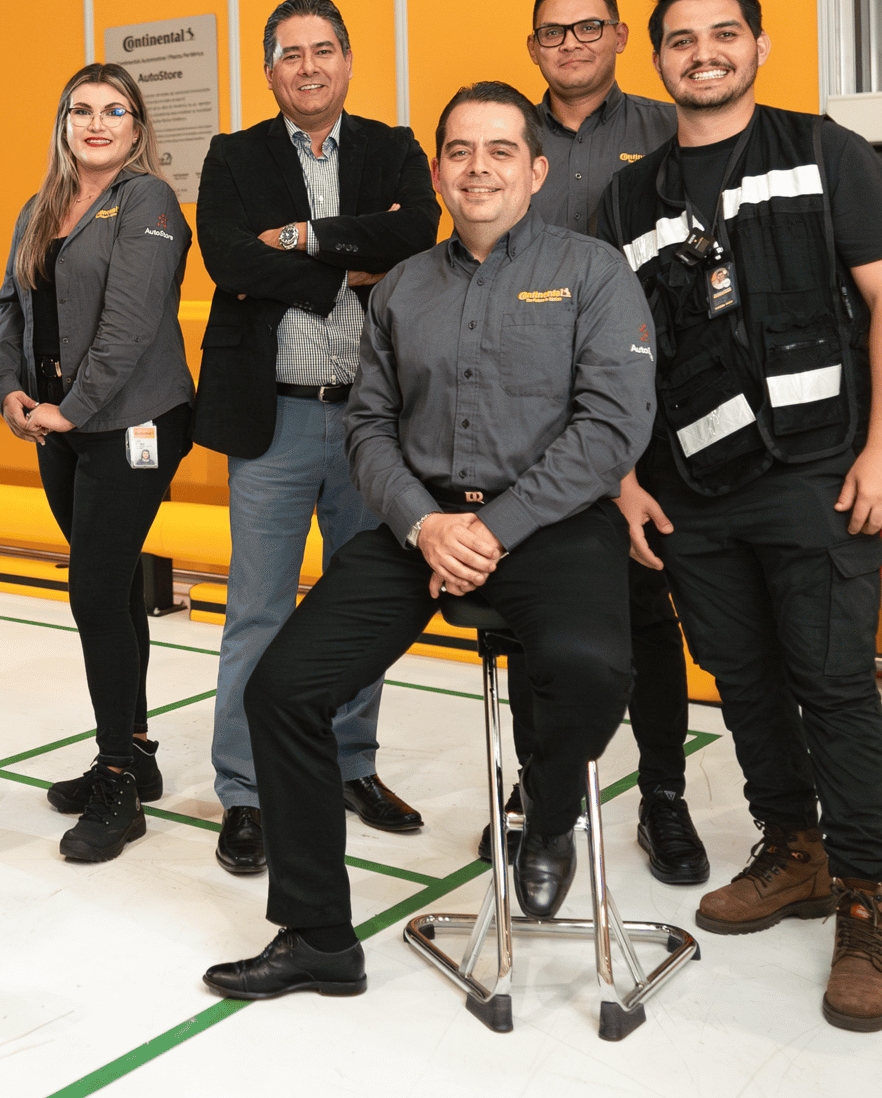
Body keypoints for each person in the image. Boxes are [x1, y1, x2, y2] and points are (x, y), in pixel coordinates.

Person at [204, 83, 654, 1002]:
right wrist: (422, 521)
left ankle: (550, 816)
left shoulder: (595, 271)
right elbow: (369, 426)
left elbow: (612, 427)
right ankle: (318, 936)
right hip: (425, 525)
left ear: (535, 169)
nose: (478, 167)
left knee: (593, 666)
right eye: (459, 151)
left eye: (499, 151)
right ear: (440, 172)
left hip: (555, 525)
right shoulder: (404, 286)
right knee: (283, 689)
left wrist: (498, 525)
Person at [596, 0, 882, 1034]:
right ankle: (794, 849)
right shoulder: (629, 196)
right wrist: (625, 476)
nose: (704, 52)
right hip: (691, 489)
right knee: (741, 682)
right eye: (683, 39)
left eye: (723, 34)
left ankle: (866, 895)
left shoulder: (825, 151)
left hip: (816, 471)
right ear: (659, 60)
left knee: (831, 681)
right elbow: (616, 349)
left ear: (758, 46)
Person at [193, 0, 439, 877]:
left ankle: (351, 765)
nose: (308, 67)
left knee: (359, 606)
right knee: (257, 608)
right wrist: (346, 267)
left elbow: (417, 232)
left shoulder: (392, 148)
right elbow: (228, 258)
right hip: (275, 416)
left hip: (373, 420)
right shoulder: (235, 155)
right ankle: (246, 790)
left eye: (323, 50)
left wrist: (302, 242)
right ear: (269, 70)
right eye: (290, 54)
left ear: (347, 59)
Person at [498, 0, 709, 886]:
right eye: (553, 31)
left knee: (648, 612)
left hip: (647, 411)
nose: (572, 43)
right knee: (533, 613)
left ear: (622, 36)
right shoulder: (506, 137)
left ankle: (661, 792)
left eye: (589, 27)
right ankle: (538, 789)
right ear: (533, 45)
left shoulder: (666, 130)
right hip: (529, 419)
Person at [0, 62, 195, 864]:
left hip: (131, 422)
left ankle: (116, 780)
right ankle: (135, 752)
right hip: (57, 424)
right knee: (107, 589)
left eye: (115, 111)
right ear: (64, 123)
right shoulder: (39, 209)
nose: (98, 123)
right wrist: (9, 389)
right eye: (82, 110)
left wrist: (70, 410)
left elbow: (132, 323)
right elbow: (13, 306)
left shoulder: (147, 201)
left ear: (138, 129)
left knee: (93, 592)